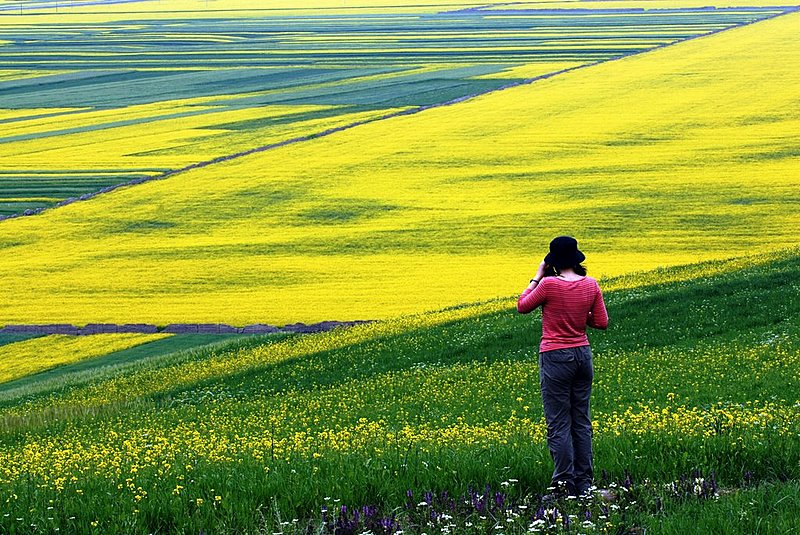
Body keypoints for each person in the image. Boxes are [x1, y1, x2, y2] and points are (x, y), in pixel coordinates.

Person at [517, 236, 608, 497]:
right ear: (577, 259)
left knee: (558, 423)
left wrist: (536, 276)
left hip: (556, 356)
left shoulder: (548, 285)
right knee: (581, 421)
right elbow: (601, 322)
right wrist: (578, 315)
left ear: (553, 262)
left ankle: (564, 485)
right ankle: (584, 483)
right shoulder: (591, 285)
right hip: (582, 355)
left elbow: (522, 306)